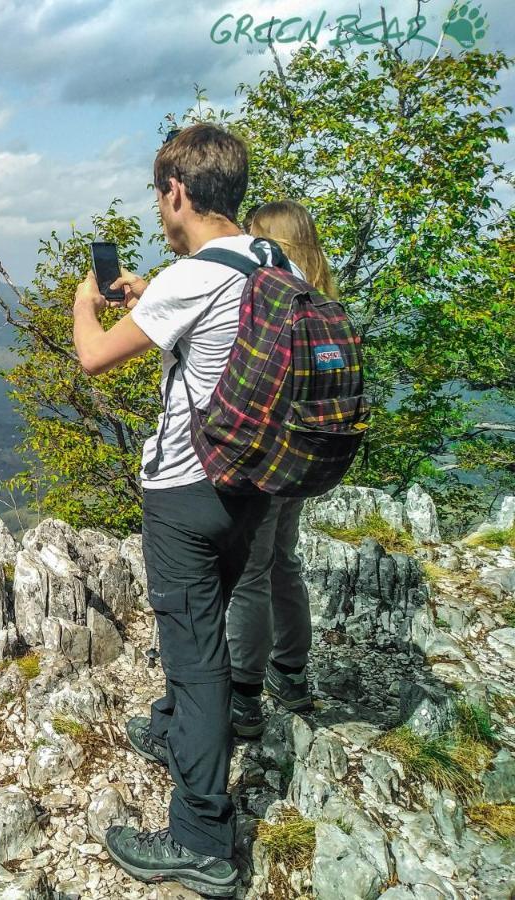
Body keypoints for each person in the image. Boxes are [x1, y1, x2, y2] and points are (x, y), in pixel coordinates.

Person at [70, 123, 280, 897]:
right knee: (204, 631)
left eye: (161, 194)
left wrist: (82, 306)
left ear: (179, 192)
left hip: (186, 496)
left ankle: (201, 839)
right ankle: (173, 733)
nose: (160, 207)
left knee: (195, 661)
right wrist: (147, 291)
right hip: (250, 487)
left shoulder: (195, 278)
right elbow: (204, 309)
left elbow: (94, 358)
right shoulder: (265, 258)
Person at [225, 200, 339, 736]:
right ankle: (291, 673)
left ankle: (244, 694)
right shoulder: (322, 300)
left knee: (252, 570)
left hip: (269, 456)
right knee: (283, 563)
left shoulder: (275, 301)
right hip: (310, 452)